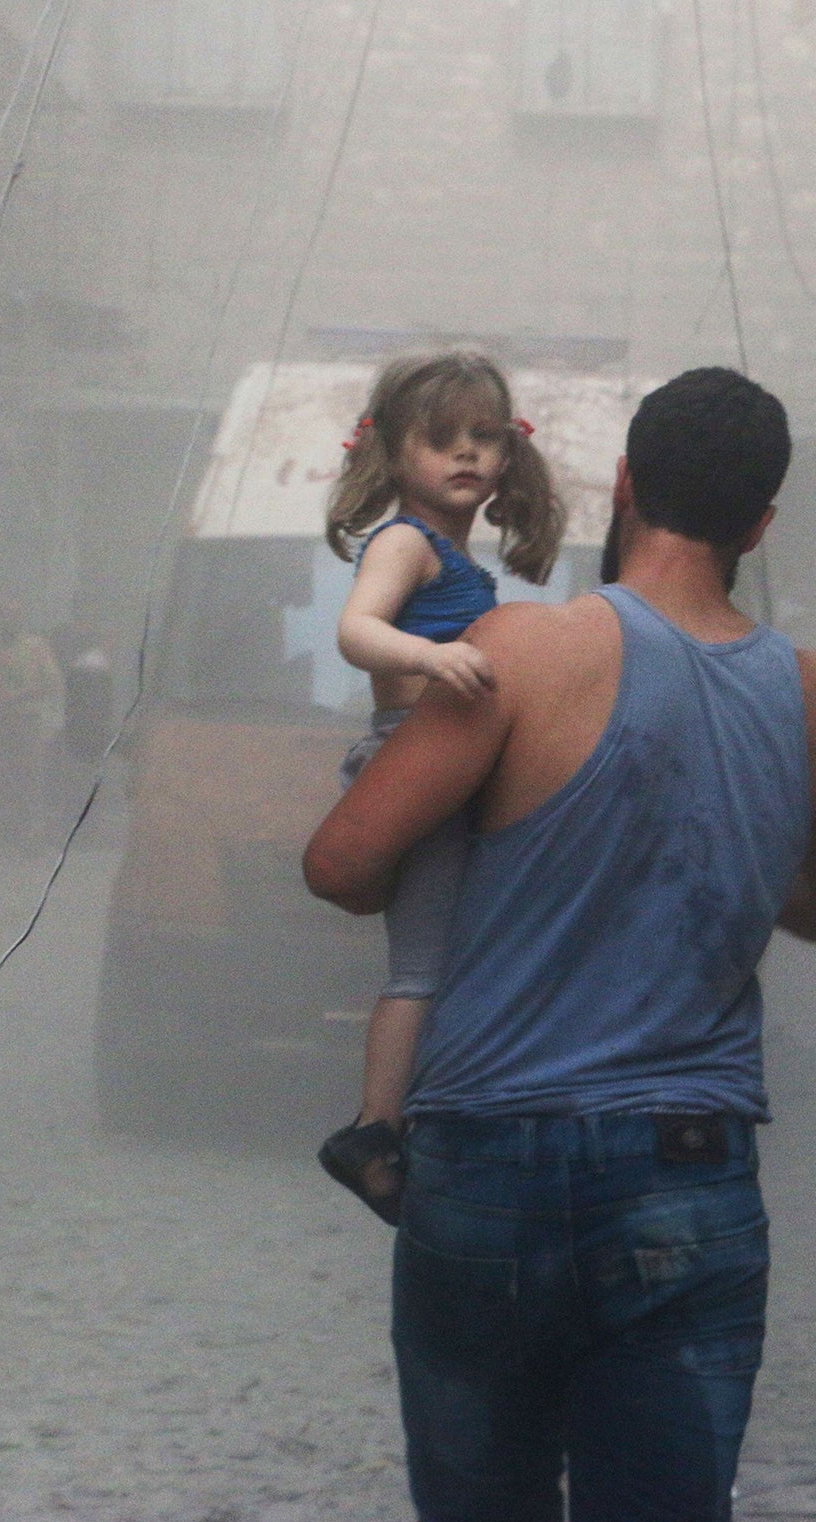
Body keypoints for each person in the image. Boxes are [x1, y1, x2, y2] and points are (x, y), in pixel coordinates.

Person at [304, 366, 816, 1522]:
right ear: (758, 525)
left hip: (488, 1162)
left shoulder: (520, 650)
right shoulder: (814, 697)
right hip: (686, 1171)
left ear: (623, 484)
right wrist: (713, 851)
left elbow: (342, 865)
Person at [314, 353, 565, 1222]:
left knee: (459, 954)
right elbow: (356, 632)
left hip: (448, 767)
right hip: (411, 762)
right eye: (442, 439)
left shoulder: (457, 556)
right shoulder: (405, 543)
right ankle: (375, 1129)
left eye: (483, 439)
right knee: (420, 964)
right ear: (393, 454)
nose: (466, 455)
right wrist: (433, 657)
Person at [0, 607, 62, 846]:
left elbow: (52, 683)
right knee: (7, 775)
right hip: (3, 720)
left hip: (30, 719)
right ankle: (10, 827)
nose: (7, 621)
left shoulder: (36, 647)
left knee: (32, 774)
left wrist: (18, 696)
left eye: (12, 615)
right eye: (3, 616)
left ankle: (35, 828)